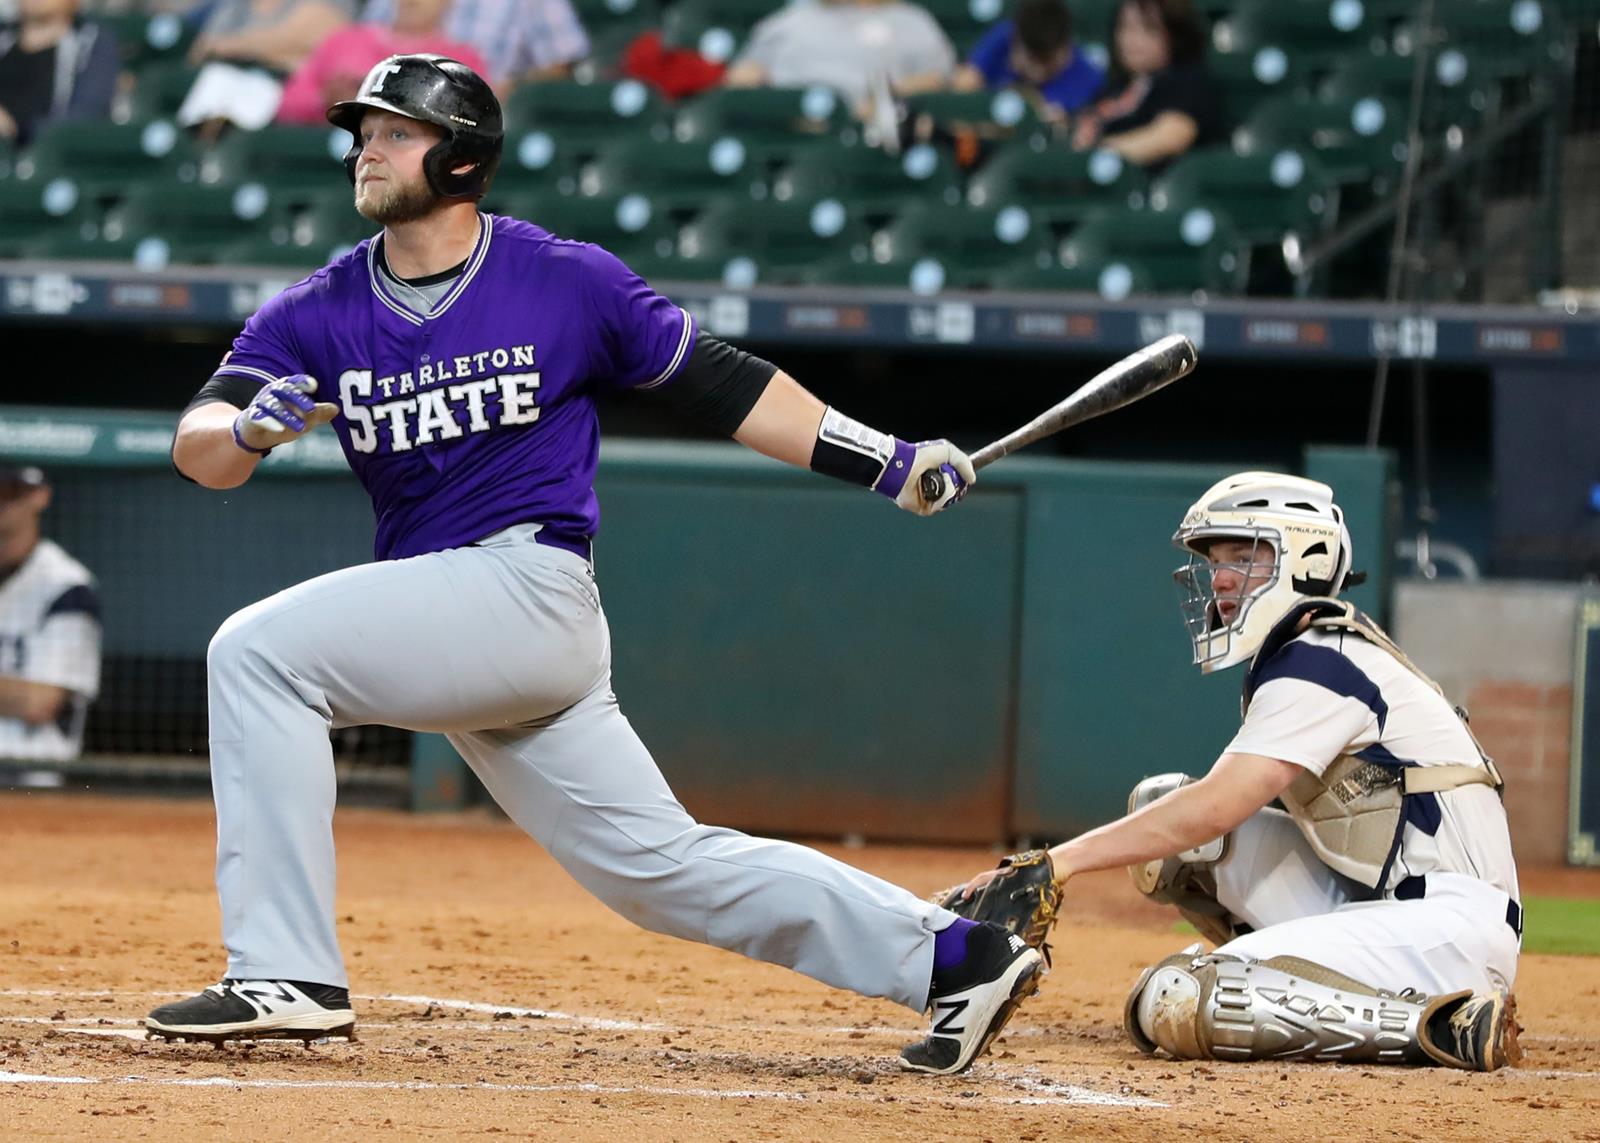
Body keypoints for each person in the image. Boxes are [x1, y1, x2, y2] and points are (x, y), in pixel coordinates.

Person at [144, 52, 1041, 1079]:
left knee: (256, 653)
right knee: (661, 872)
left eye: (396, 131)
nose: (367, 150)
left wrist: (886, 460)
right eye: (364, 133)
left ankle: (285, 971)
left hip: (530, 588)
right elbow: (198, 446)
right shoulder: (318, 308)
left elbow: (726, 386)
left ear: (462, 157)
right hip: (460, 623)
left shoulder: (563, 278)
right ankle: (956, 957)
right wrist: (243, 433)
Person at [956, 472, 1523, 1071]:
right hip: (1391, 907)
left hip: (1447, 928)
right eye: (1217, 560)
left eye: (1246, 556)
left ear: (1306, 562)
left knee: (1177, 996)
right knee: (1174, 831)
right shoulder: (1311, 653)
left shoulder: (1323, 663)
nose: (1222, 578)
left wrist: (1057, 863)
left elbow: (1217, 805)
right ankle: (1296, 981)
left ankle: (1440, 1025)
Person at [0, 463, 102, 764]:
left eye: (10, 492)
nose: (2, 502)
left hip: (31, 768)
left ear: (39, 496)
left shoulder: (66, 586)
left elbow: (39, 703)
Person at [724, 0, 956, 114]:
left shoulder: (912, 22)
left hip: (871, 134)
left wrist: (886, 98)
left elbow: (942, 79)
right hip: (789, 127)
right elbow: (742, 74)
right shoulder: (789, 20)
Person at [275, 0, 490, 124]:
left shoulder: (463, 59)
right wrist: (325, 99)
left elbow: (476, 120)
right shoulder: (344, 40)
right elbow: (287, 104)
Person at [1070, 0, 1222, 169]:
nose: (1132, 39)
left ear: (1175, 33)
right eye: (1125, 27)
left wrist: (1095, 153)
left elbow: (1171, 137)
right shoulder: (1114, 87)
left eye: (1148, 29)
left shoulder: (1188, 80)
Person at [177, 0, 355, 133]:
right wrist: (276, 49)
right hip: (225, 81)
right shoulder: (238, 5)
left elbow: (320, 38)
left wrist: (233, 46)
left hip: (288, 88)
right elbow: (202, 48)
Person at [357, 0, 589, 87]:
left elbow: (561, 66)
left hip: (488, 113)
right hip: (395, 105)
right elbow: (364, 45)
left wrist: (512, 90)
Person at [953, 0, 1103, 119]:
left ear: (1065, 48)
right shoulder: (1005, 35)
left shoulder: (1087, 77)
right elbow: (962, 87)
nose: (1037, 70)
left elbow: (1038, 118)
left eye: (1046, 60)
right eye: (1032, 57)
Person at [0, 0, 118, 147]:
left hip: (42, 153)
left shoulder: (92, 42)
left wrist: (16, 130)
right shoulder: (4, 36)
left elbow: (87, 116)